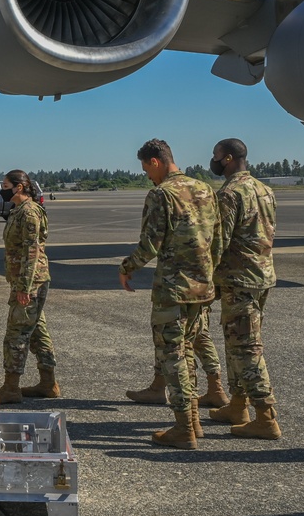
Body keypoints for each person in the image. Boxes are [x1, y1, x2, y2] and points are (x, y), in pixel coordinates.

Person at [119, 139, 220, 449]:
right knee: (187, 352)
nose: (148, 175)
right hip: (202, 288)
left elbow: (150, 242)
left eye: (146, 168)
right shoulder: (205, 189)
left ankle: (183, 429)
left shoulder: (161, 194)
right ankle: (194, 421)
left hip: (173, 291)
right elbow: (217, 239)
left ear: (155, 162)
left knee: (173, 357)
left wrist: (127, 267)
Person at [207, 138, 282, 439]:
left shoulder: (229, 193)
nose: (212, 162)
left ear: (227, 159)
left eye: (215, 157)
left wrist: (206, 278)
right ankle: (238, 405)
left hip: (238, 279)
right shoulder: (265, 189)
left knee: (246, 348)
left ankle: (266, 415)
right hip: (262, 276)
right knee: (235, 342)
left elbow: (219, 241)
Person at [0, 170, 61, 405]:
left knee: (16, 333)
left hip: (30, 282)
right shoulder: (18, 211)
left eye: (6, 185)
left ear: (19, 187)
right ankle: (48, 383)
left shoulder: (30, 212)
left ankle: (11, 387)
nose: (2, 189)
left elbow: (32, 252)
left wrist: (25, 286)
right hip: (25, 280)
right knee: (37, 332)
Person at [126, 312, 230, 408]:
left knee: (168, 337)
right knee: (200, 334)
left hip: (178, 299)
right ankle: (216, 389)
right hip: (200, 295)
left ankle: (188, 407)